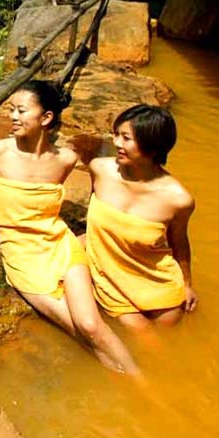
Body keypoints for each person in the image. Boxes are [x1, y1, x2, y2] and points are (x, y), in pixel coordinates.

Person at [0, 81, 139, 376]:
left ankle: (144, 384)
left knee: (91, 325)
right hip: (22, 254)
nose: (13, 116)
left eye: (21, 110)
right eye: (11, 110)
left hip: (60, 243)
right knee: (78, 329)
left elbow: (106, 159)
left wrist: (102, 217)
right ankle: (132, 387)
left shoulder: (66, 157)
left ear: (46, 118)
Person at [85, 104, 197, 330]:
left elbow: (179, 243)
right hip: (111, 278)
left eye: (126, 138)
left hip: (158, 283)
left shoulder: (178, 199)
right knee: (145, 340)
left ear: (153, 147)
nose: (116, 143)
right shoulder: (100, 169)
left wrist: (186, 285)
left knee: (171, 338)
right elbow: (92, 221)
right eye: (116, 134)